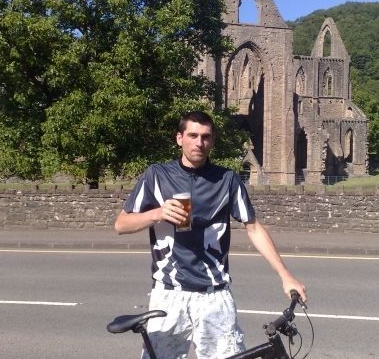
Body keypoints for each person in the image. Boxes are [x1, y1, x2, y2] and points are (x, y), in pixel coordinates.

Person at [115, 111, 306, 359]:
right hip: (169, 294)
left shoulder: (227, 179)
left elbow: (254, 227)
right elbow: (121, 224)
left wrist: (285, 275)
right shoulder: (157, 176)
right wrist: (157, 213)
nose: (199, 143)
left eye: (205, 137)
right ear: (179, 138)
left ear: (212, 141)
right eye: (192, 135)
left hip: (214, 295)